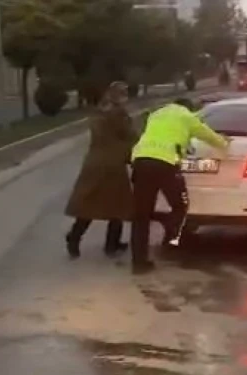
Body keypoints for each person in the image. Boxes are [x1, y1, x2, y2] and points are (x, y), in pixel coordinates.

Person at [130, 97, 230, 275]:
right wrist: (224, 143)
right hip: (165, 163)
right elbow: (207, 135)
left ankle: (139, 262)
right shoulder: (187, 116)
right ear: (189, 108)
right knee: (180, 205)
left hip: (140, 160)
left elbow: (164, 133)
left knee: (140, 216)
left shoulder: (156, 114)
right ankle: (170, 234)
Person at [65, 81, 136, 259]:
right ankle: (112, 244)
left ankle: (74, 238)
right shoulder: (119, 114)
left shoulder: (98, 112)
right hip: (113, 165)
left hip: (94, 163)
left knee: (89, 205)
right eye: (124, 94)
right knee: (118, 206)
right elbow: (130, 136)